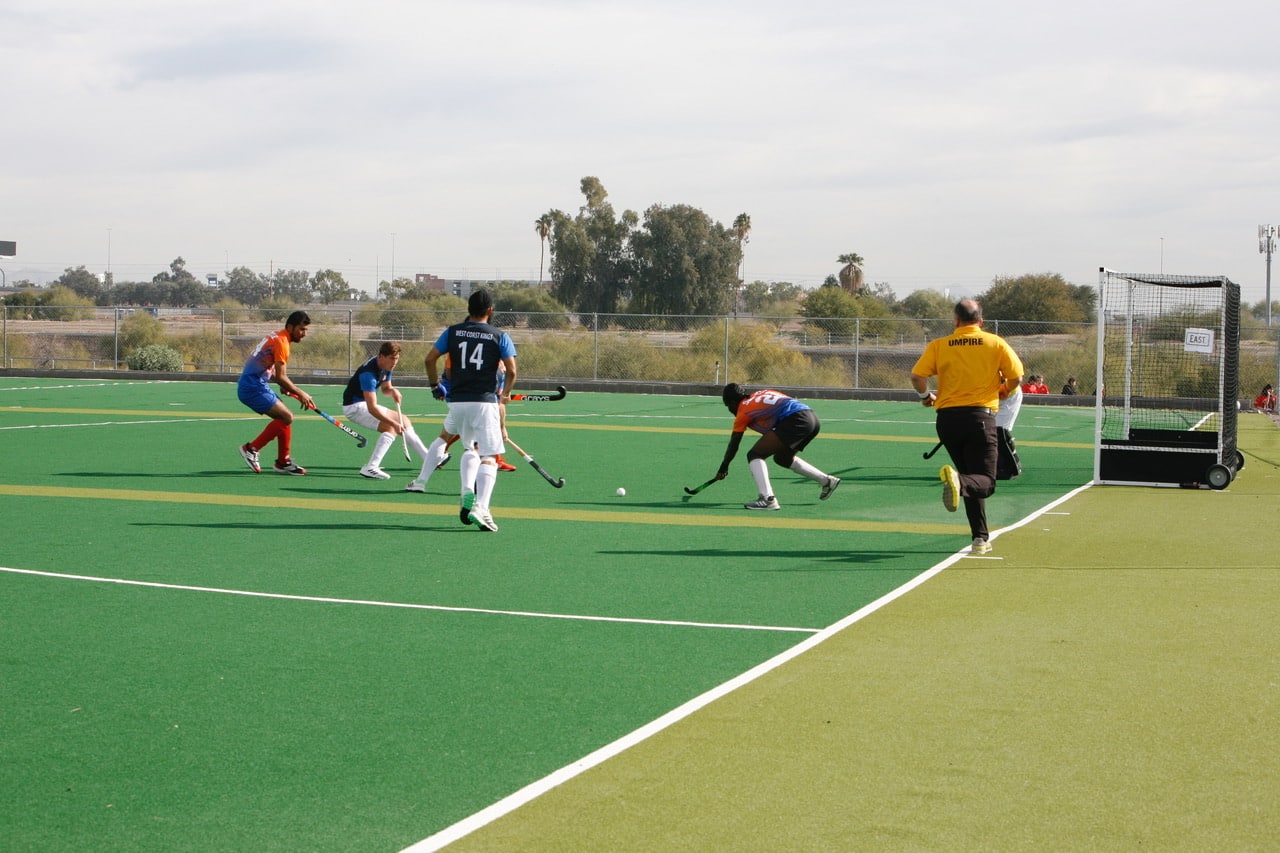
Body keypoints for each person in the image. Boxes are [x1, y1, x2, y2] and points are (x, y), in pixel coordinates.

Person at [911, 299, 1025, 554]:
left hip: (947, 421)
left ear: (956, 320)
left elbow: (917, 376)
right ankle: (960, 483)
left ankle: (980, 538)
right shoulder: (995, 343)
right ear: (981, 321)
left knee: (972, 478)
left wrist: (924, 397)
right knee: (986, 480)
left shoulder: (939, 345)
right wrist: (1004, 390)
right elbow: (1016, 377)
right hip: (979, 419)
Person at [421, 289, 517, 532]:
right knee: (489, 457)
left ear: (468, 309)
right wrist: (504, 395)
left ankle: (466, 489)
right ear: (490, 311)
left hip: (457, 401)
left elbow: (429, 359)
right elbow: (512, 371)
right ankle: (482, 507)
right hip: (484, 402)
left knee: (468, 447)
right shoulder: (500, 335)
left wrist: (435, 385)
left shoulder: (452, 331)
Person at [711, 383, 840, 511]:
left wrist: (724, 467)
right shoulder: (759, 394)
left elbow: (734, 443)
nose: (729, 409)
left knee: (755, 454)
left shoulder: (743, 411)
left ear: (733, 402)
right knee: (783, 458)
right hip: (812, 418)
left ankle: (768, 499)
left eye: (728, 406)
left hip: (796, 419)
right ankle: (827, 481)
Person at [341, 341, 441, 481]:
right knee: (391, 427)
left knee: (404, 420)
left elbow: (385, 388)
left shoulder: (386, 366)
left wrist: (392, 391)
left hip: (364, 404)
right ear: (381, 356)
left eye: (397, 358)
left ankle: (428, 458)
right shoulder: (368, 375)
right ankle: (371, 467)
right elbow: (372, 408)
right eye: (392, 359)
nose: (395, 362)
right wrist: (393, 424)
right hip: (354, 407)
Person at [237, 310, 315, 475]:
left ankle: (283, 462)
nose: (304, 334)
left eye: (306, 330)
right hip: (252, 387)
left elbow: (268, 366)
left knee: (284, 416)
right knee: (287, 417)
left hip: (256, 384)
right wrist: (301, 393)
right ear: (290, 327)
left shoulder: (278, 336)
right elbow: (281, 376)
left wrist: (284, 385)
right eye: (301, 329)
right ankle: (251, 449)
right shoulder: (282, 342)